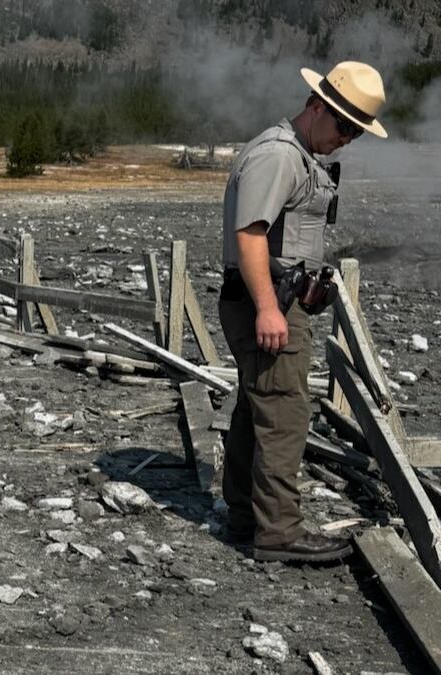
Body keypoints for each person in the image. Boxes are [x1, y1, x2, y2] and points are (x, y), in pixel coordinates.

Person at [218, 61, 387, 563]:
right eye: (344, 126)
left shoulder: (298, 155)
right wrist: (269, 308)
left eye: (356, 132)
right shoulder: (279, 155)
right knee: (285, 411)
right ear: (317, 107)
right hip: (265, 301)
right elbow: (249, 235)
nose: (347, 138)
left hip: (273, 297)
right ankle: (279, 533)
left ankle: (246, 516)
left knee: (259, 406)